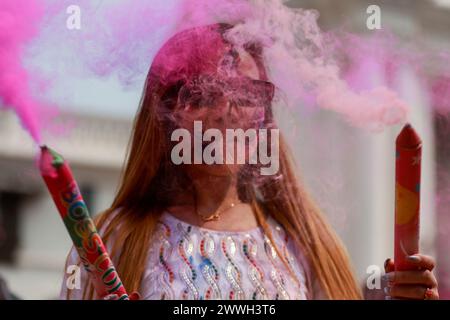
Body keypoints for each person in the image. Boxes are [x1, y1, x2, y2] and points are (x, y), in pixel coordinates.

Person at [60, 23, 438, 300]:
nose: (227, 112)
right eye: (203, 93)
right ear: (165, 111)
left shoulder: (307, 244)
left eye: (247, 94)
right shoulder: (113, 240)